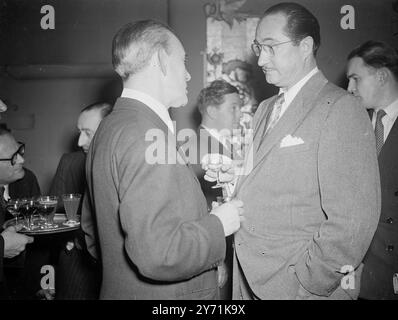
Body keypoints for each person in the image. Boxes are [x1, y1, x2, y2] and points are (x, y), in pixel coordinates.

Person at [205, 2, 381, 300]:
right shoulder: (264, 108)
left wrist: (308, 284)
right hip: (249, 280)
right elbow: (268, 182)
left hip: (298, 289)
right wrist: (233, 178)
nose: (260, 59)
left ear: (305, 46)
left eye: (271, 47)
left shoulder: (341, 107)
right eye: (258, 47)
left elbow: (353, 220)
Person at [82, 20, 244, 300]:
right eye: (183, 61)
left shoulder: (110, 127)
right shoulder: (146, 134)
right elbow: (158, 254)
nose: (189, 75)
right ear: (161, 60)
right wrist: (219, 224)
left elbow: (92, 231)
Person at [346, 40, 398, 300]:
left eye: (355, 78)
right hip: (363, 273)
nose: (349, 88)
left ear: (381, 76)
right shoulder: (354, 125)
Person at [183, 79, 242, 300]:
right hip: (216, 249)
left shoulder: (225, 145)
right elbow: (195, 211)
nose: (239, 115)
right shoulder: (197, 147)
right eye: (233, 108)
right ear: (211, 110)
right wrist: (215, 261)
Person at [49, 102, 112, 300]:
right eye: (79, 131)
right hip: (76, 266)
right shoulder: (69, 163)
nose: (79, 141)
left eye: (88, 132)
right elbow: (54, 213)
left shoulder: (126, 164)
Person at [0, 129, 34, 299]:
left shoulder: (28, 180)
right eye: (14, 156)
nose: (22, 159)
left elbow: (38, 243)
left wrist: (38, 285)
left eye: (20, 150)